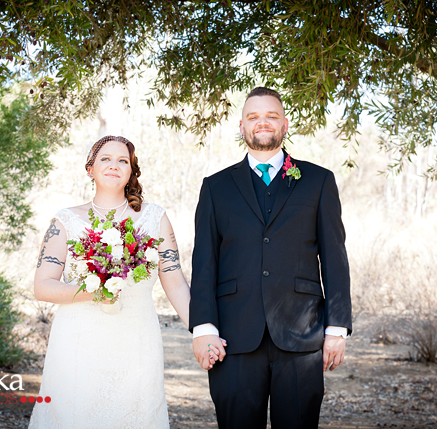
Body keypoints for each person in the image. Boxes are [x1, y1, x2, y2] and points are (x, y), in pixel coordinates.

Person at [28, 135, 223, 428]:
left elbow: (175, 283)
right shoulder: (66, 220)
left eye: (123, 160)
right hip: (78, 342)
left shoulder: (154, 218)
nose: (114, 165)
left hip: (136, 340)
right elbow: (43, 286)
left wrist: (202, 332)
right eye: (105, 158)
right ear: (90, 168)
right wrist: (93, 292)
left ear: (132, 171)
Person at [189, 87, 352, 428]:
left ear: (285, 124)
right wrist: (203, 328)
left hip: (300, 335)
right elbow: (204, 262)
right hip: (232, 338)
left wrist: (337, 328)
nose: (262, 122)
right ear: (241, 126)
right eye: (253, 117)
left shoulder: (319, 181)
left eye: (271, 116)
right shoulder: (215, 187)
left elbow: (335, 258)